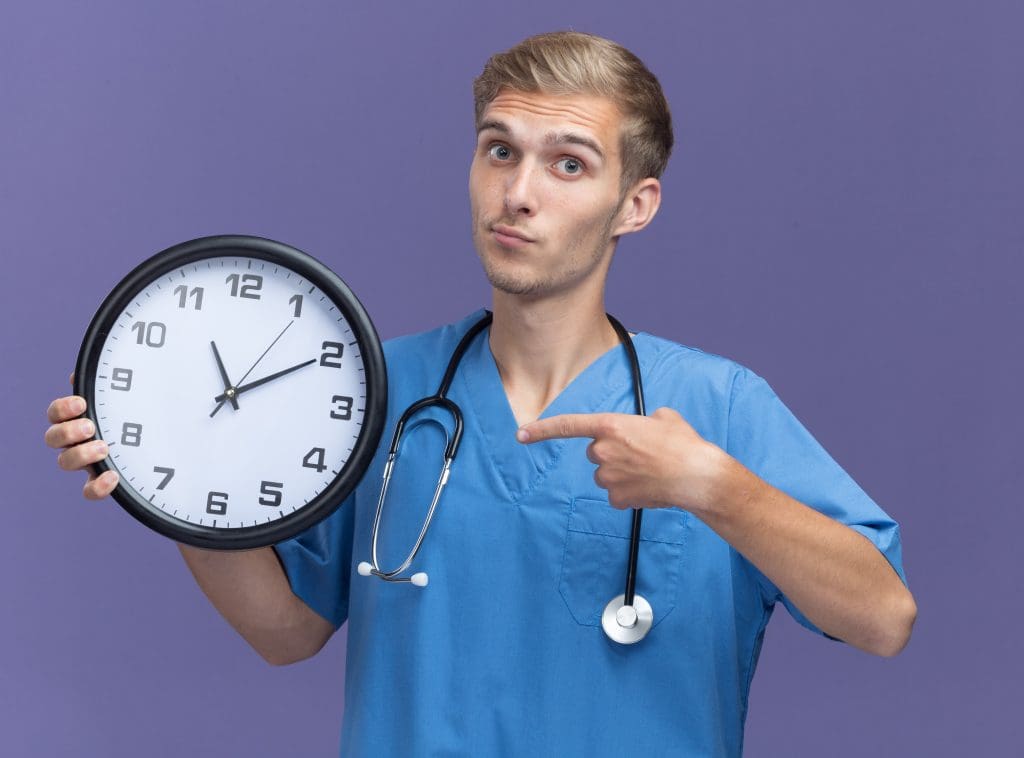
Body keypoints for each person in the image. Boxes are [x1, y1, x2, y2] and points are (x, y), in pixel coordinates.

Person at [45, 31, 916, 757]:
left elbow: (883, 619)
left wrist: (715, 489)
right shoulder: (372, 389)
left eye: (568, 164)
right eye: (500, 150)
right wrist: (172, 485)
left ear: (634, 205)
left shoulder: (715, 406)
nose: (518, 193)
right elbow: (285, 633)